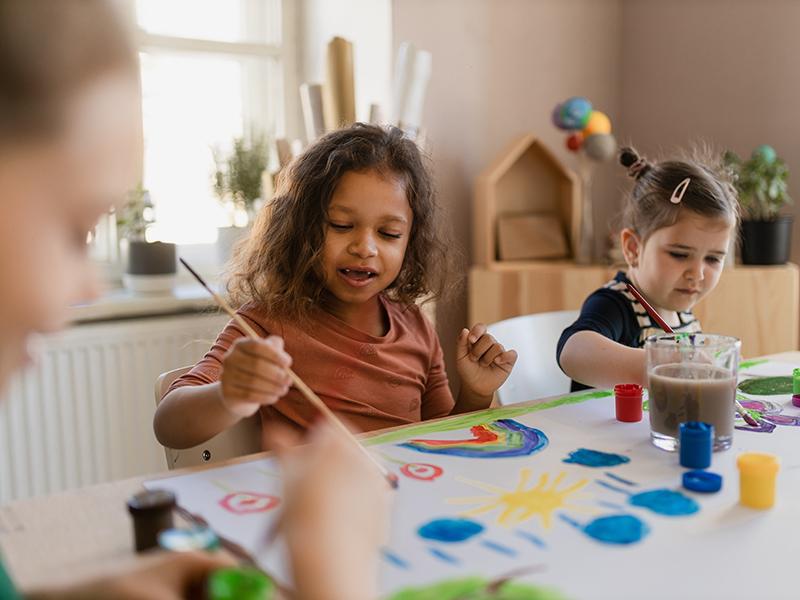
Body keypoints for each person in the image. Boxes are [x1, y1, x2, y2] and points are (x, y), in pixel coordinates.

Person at [0, 2, 387, 598]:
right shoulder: (267, 324)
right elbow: (175, 420)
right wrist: (327, 576)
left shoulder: (408, 322)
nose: (88, 289)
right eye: (72, 227)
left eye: (389, 231)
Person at [154, 124, 518, 449]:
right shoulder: (267, 323)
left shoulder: (417, 326)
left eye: (389, 233)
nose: (365, 247)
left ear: (411, 240)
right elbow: (169, 425)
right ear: (302, 228)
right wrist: (227, 396)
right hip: (314, 512)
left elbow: (440, 439)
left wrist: (475, 393)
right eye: (342, 225)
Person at [557, 146, 739, 391]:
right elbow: (572, 352)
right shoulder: (616, 302)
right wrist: (660, 362)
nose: (697, 274)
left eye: (714, 259)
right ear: (633, 248)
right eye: (679, 254)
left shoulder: (683, 314)